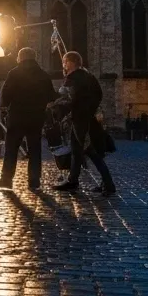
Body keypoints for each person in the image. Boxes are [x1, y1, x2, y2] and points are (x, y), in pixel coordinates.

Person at [52, 51, 116, 196]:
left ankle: (108, 183)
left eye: (64, 61)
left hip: (80, 120)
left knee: (90, 151)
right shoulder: (89, 76)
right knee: (76, 150)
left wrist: (56, 109)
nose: (63, 64)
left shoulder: (73, 78)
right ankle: (73, 180)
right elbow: (99, 94)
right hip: (88, 118)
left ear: (70, 62)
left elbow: (66, 99)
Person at [0, 47, 57, 190]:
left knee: (11, 148)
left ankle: (6, 179)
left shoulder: (14, 73)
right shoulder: (43, 75)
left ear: (20, 57)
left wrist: (4, 107)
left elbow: (6, 93)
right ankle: (34, 181)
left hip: (17, 117)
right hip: (36, 117)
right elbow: (51, 96)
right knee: (35, 149)